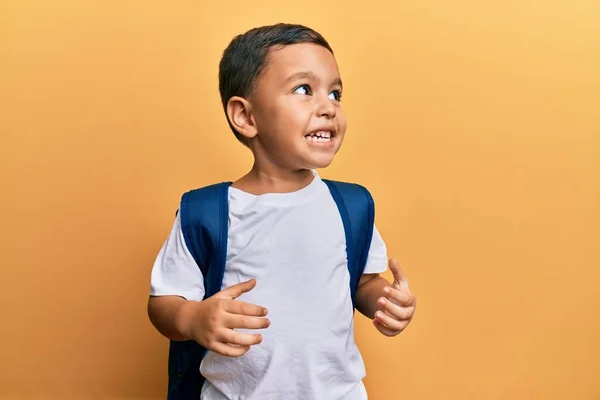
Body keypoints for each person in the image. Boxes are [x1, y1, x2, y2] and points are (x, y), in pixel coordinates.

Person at [148, 23, 416, 400]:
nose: (328, 107)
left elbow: (362, 283)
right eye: (304, 90)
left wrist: (385, 301)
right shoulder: (209, 213)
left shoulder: (350, 206)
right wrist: (193, 319)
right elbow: (164, 302)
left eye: (335, 93)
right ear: (246, 116)